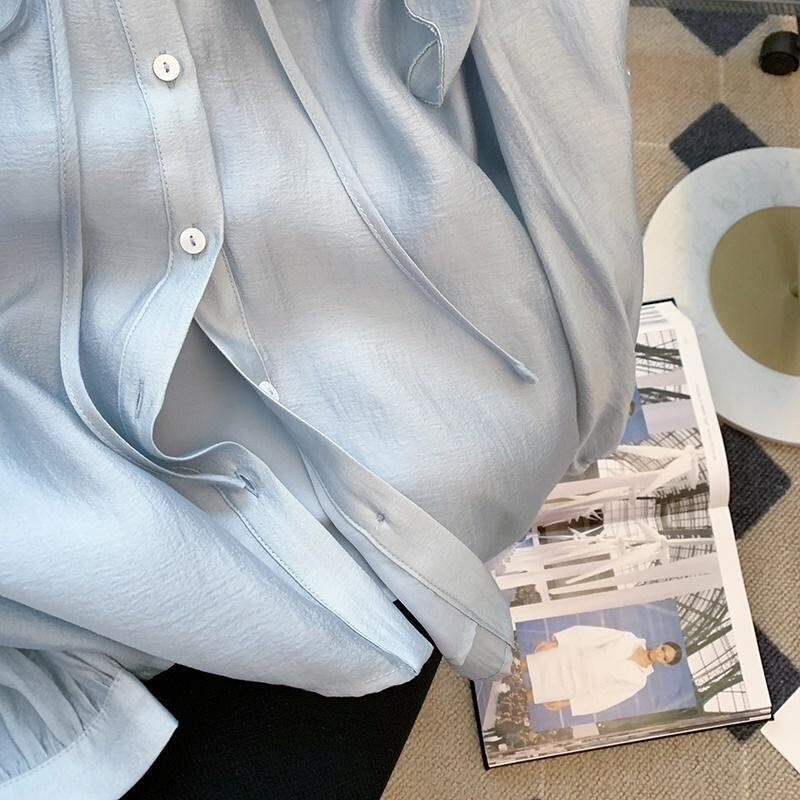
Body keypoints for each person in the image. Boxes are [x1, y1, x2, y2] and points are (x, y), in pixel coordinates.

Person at [519, 625, 683, 716]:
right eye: (663, 649)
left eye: (665, 658)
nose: (660, 654)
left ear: (665, 664)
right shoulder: (629, 638)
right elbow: (592, 635)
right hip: (567, 657)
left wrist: (566, 703)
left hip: (573, 685)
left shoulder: (638, 681)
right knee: (520, 665)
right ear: (661, 644)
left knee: (526, 697)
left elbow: (605, 698)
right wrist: (557, 643)